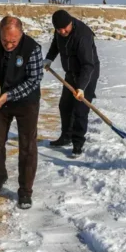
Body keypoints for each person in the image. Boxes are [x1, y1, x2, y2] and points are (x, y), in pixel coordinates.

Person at [0, 16, 44, 209]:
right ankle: (0, 177)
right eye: (5, 40)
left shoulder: (33, 48)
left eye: (14, 41)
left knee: (27, 146)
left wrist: (9, 95)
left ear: (21, 34)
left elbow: (34, 80)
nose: (9, 44)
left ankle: (25, 192)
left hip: (26, 101)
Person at [43, 10, 100, 157]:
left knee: (80, 109)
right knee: (65, 105)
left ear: (70, 23)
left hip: (87, 72)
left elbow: (88, 65)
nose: (62, 32)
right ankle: (66, 137)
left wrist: (81, 87)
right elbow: (56, 44)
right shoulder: (59, 32)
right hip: (70, 72)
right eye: (59, 29)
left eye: (65, 28)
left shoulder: (83, 35)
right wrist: (49, 58)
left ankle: (77, 144)